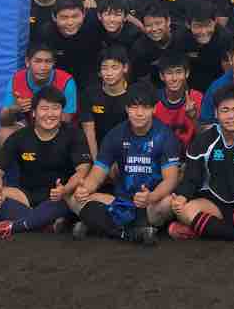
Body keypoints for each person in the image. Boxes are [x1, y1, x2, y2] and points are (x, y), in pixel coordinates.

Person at [70, 82, 181, 245]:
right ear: (127, 109)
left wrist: (151, 197)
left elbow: (171, 180)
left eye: (145, 108)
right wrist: (84, 189)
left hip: (150, 203)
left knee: (169, 203)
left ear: (154, 109)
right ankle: (131, 232)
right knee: (74, 198)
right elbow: (97, 174)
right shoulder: (115, 134)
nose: (139, 113)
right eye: (134, 107)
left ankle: (98, 224)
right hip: (119, 201)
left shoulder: (165, 136)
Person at [0, 86, 91, 240]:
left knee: (74, 199)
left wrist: (65, 189)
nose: (50, 114)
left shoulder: (74, 134)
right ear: (33, 112)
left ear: (62, 112)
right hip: (26, 196)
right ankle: (44, 223)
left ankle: (15, 225)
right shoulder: (20, 136)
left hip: (60, 195)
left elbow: (83, 170)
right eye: (44, 108)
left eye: (56, 108)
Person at [170, 84, 234, 246]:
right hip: (212, 203)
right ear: (216, 113)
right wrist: (182, 197)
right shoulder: (203, 140)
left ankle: (204, 229)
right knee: (183, 210)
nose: (231, 116)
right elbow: (191, 178)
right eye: (225, 110)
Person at [0, 41, 77, 152]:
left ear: (54, 63)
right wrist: (14, 108)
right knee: (3, 134)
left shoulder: (66, 81)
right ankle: (2, 163)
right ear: (27, 62)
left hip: (55, 127)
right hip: (27, 125)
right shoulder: (17, 79)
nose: (43, 67)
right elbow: (4, 122)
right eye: (37, 61)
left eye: (48, 61)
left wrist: (41, 116)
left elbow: (66, 120)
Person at [39, 0, 104, 90]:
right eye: (64, 18)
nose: (70, 22)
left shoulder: (94, 21)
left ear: (84, 14)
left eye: (75, 16)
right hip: (59, 77)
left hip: (91, 75)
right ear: (54, 17)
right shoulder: (46, 33)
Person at [79, 45, 130, 159]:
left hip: (128, 151)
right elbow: (89, 131)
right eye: (104, 68)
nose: (109, 73)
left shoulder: (134, 94)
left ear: (125, 68)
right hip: (97, 149)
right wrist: (98, 162)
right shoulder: (89, 94)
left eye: (114, 67)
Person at [130, 3, 193, 85]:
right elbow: (138, 77)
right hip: (156, 86)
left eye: (158, 23)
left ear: (168, 21)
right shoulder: (139, 48)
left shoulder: (184, 36)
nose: (154, 29)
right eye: (148, 25)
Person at [153, 54, 202, 148]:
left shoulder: (197, 98)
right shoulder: (153, 100)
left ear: (187, 73)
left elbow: (207, 136)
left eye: (179, 72)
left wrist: (194, 117)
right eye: (169, 73)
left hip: (191, 152)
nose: (174, 78)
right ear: (161, 76)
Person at [186, 0, 231, 93]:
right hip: (190, 85)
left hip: (218, 85)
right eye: (198, 26)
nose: (203, 32)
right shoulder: (181, 38)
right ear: (188, 25)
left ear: (215, 21)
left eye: (207, 25)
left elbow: (228, 71)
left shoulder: (225, 38)